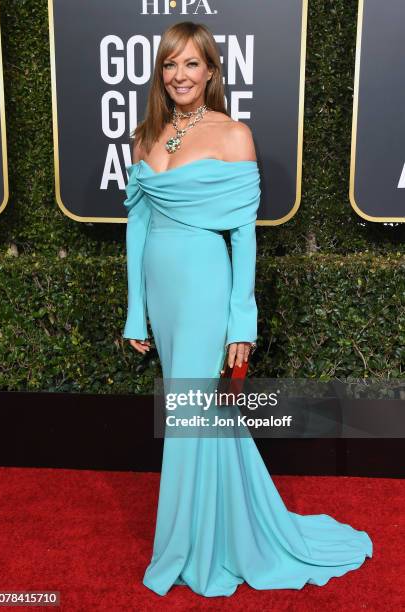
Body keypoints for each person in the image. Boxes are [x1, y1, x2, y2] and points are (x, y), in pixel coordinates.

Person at [122, 21, 372, 598]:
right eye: (169, 65)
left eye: (191, 64)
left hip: (208, 287)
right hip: (161, 292)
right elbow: (136, 229)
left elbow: (244, 238)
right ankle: (219, 532)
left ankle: (188, 550)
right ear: (160, 73)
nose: (179, 76)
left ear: (211, 70)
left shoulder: (234, 135)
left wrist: (243, 322)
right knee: (203, 419)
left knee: (190, 415)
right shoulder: (145, 136)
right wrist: (136, 310)